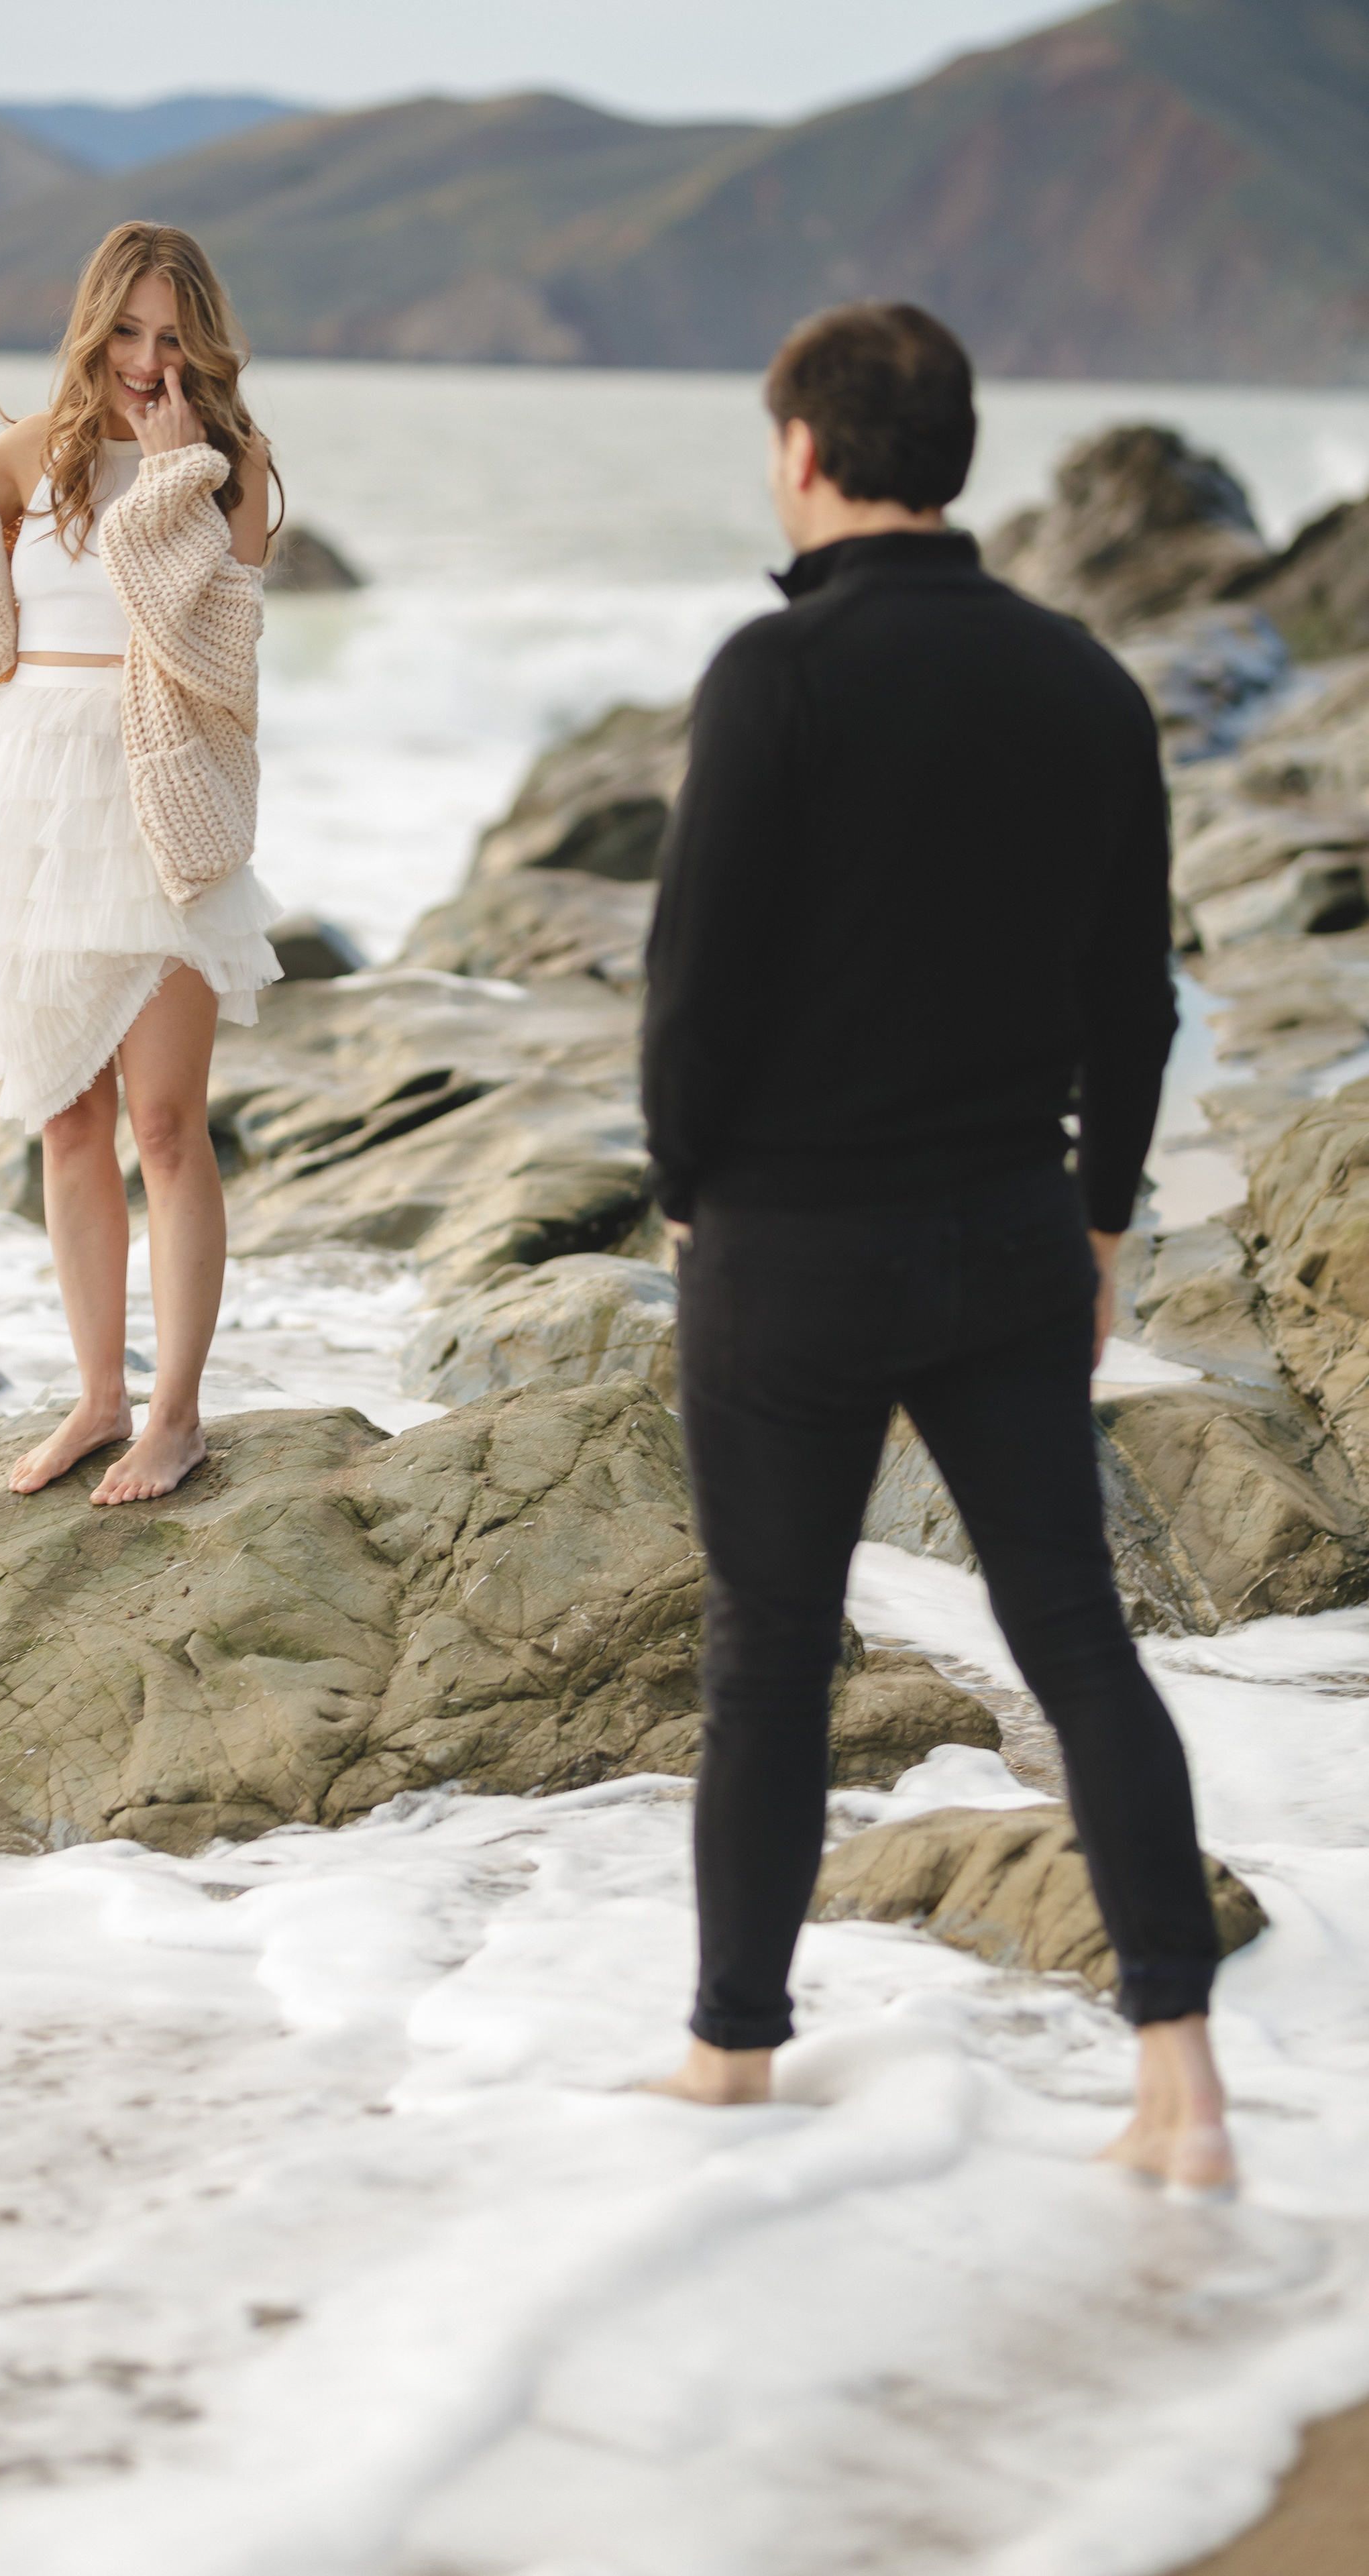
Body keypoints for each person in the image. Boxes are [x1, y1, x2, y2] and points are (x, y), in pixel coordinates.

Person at [641, 301, 1234, 2194]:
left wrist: (681, 1191)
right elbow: (1133, 1002)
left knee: (772, 1663)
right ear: (955, 456)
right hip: (1006, 1234)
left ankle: (733, 2060)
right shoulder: (1084, 682)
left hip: (793, 1248)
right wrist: (1106, 1221)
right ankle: (1183, 2086)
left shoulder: (775, 677)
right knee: (1079, 1645)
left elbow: (695, 990)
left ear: (806, 454)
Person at [0, 221, 281, 1506]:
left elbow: (216, 659)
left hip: (165, 797)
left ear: (204, 337)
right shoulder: (30, 454)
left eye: (172, 333)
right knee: (67, 1114)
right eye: (129, 331)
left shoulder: (233, 465)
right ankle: (97, 1397)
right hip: (36, 794)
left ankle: (176, 1415)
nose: (149, 360)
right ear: (97, 327)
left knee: (165, 1123)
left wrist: (163, 490)